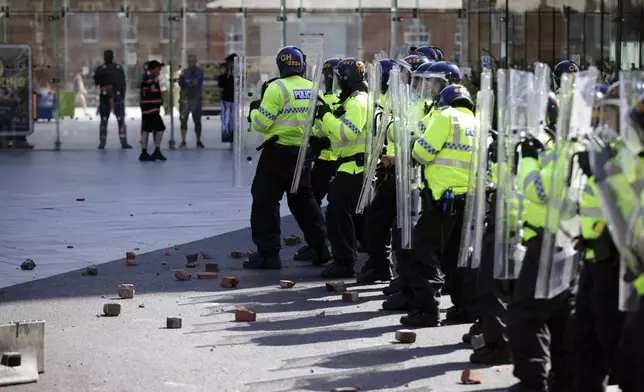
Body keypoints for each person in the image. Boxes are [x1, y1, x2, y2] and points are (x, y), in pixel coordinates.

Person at [243, 46, 330, 270]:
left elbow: (262, 123)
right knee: (304, 202)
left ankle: (268, 254)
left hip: (277, 153)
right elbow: (319, 126)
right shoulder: (313, 88)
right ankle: (321, 249)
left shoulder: (276, 88)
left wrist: (254, 110)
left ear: (280, 66)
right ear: (301, 65)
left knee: (265, 201)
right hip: (302, 153)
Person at [403, 84, 476, 327]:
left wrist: (415, 142)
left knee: (424, 252)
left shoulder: (445, 117)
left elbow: (422, 153)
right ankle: (465, 307)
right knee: (458, 255)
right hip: (469, 199)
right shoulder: (477, 123)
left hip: (442, 198)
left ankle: (427, 310)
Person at [314, 57, 370, 279]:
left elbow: (346, 132)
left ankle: (345, 262)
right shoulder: (355, 100)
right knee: (360, 218)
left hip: (353, 168)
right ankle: (377, 260)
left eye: (340, 78)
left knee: (337, 215)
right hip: (351, 167)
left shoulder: (357, 103)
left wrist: (325, 115)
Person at [292, 57, 342, 263]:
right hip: (336, 159)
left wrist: (313, 139)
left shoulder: (326, 98)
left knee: (309, 203)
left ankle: (321, 244)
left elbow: (320, 127)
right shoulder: (344, 98)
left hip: (327, 160)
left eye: (325, 76)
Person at [93, 49, 131, 149]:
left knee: (107, 120)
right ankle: (122, 141)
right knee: (116, 120)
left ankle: (104, 142)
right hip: (114, 97)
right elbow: (123, 84)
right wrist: (121, 95)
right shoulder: (118, 68)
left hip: (110, 97)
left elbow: (96, 81)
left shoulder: (101, 69)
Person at [139, 60, 167, 162]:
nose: (160, 71)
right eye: (158, 69)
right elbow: (148, 93)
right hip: (151, 110)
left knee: (146, 130)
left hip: (149, 109)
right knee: (160, 128)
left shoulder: (152, 79)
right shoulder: (149, 79)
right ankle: (157, 150)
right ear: (154, 69)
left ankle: (144, 152)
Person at [179, 54, 205, 148]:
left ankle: (198, 140)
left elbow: (196, 82)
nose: (191, 62)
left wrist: (188, 81)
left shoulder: (199, 72)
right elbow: (181, 82)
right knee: (183, 120)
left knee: (197, 121)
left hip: (196, 99)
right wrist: (189, 82)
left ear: (195, 61)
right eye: (190, 60)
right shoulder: (184, 72)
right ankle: (183, 140)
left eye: (193, 60)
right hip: (185, 99)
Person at [219, 53, 237, 143]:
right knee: (226, 118)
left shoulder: (238, 73)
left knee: (234, 118)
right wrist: (226, 74)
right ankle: (227, 135)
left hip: (235, 99)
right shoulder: (225, 73)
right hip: (226, 99)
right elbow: (221, 84)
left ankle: (233, 135)